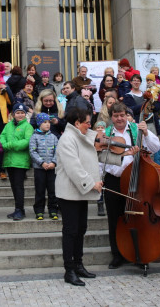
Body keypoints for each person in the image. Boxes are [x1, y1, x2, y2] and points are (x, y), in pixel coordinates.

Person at [100, 102, 160, 269]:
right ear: (111, 117)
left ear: (126, 115)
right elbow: (101, 160)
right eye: (116, 116)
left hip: (137, 180)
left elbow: (155, 147)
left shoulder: (136, 129)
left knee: (138, 218)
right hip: (114, 180)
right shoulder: (106, 133)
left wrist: (146, 132)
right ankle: (118, 255)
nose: (119, 118)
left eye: (122, 115)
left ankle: (139, 255)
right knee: (115, 219)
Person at [55, 107, 102, 286]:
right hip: (69, 193)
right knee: (71, 231)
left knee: (81, 229)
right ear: (77, 123)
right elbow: (74, 168)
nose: (90, 126)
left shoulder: (80, 136)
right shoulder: (67, 139)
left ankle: (78, 264)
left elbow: (90, 160)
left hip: (80, 193)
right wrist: (92, 184)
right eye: (87, 123)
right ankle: (69, 270)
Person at [0, 103, 34, 221]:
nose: (20, 115)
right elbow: (2, 138)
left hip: (20, 161)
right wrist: (5, 145)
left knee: (19, 186)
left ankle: (20, 209)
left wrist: (10, 145)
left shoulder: (28, 127)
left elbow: (26, 142)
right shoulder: (8, 125)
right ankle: (18, 209)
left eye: (22, 113)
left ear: (25, 115)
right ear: (13, 114)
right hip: (9, 160)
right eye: (17, 113)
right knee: (14, 186)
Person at [30, 113, 59, 220]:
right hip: (39, 169)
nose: (47, 125)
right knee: (40, 190)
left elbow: (58, 151)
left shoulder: (53, 137)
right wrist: (41, 162)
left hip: (51, 168)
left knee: (52, 190)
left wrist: (53, 163)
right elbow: (32, 151)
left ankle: (53, 209)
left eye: (48, 122)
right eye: (44, 122)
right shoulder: (34, 137)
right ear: (39, 124)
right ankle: (39, 210)